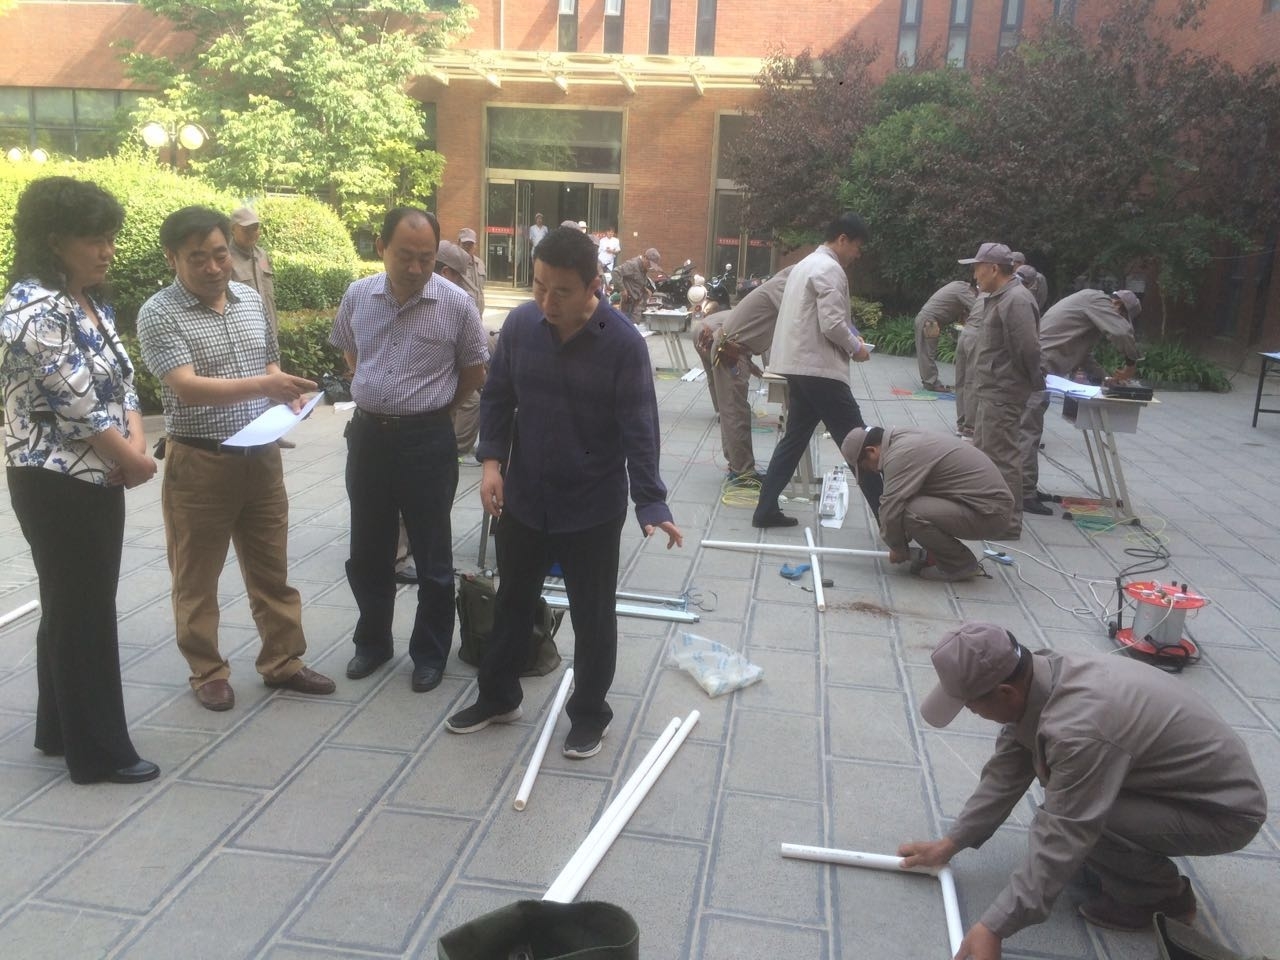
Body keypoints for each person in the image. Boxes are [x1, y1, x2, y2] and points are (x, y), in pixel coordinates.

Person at [445, 226, 682, 759]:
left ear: (594, 285)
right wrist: (491, 464)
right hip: (525, 495)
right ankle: (498, 697)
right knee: (512, 601)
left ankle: (590, 714)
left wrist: (651, 501)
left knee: (593, 614)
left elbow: (640, 428)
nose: (547, 302)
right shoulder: (521, 326)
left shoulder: (622, 343)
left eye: (562, 291)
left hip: (590, 505)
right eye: (539, 287)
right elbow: (498, 397)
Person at [899, 621, 1266, 959]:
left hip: (1223, 811)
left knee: (1082, 818)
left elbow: (1066, 829)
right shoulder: (1039, 675)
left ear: (1005, 692)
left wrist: (994, 927)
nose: (971, 712)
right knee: (1076, 802)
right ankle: (1125, 863)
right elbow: (1005, 773)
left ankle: (1161, 898)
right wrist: (953, 842)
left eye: (970, 705)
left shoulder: (1079, 729)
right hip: (1172, 783)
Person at [137, 206, 334, 711]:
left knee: (272, 567)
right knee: (196, 576)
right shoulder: (159, 312)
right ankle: (207, 670)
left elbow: (269, 365)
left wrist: (285, 396)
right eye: (197, 258)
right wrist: (265, 385)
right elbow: (186, 386)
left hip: (261, 455)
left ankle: (283, 660)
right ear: (172, 258)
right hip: (200, 462)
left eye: (220, 254)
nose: (212, 267)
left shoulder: (249, 300)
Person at [1, 176, 159, 784]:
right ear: (53, 240)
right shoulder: (34, 309)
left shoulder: (88, 299)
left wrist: (136, 444)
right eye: (95, 239)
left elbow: (122, 384)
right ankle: (97, 752)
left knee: (71, 605)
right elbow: (79, 408)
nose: (108, 250)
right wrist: (133, 459)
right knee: (83, 611)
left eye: (111, 237)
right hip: (54, 480)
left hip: (98, 472)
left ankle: (58, 729)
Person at [331, 209, 487, 693]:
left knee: (433, 553)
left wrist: (435, 409)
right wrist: (377, 390)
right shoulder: (359, 295)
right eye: (405, 256)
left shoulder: (456, 304)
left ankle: (430, 653)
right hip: (369, 438)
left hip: (427, 440)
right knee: (368, 550)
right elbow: (350, 352)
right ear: (381, 247)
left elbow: (475, 371)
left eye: (426, 258)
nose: (417, 268)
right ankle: (373, 642)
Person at [751, 212, 879, 528]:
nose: (857, 254)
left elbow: (824, 317)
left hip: (798, 366)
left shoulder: (805, 265)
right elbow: (832, 324)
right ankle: (892, 523)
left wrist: (852, 335)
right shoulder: (830, 269)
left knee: (794, 439)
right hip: (820, 369)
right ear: (842, 239)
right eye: (857, 247)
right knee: (859, 445)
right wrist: (857, 348)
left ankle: (765, 509)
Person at [1020, 289, 1142, 510]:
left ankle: (1026, 488)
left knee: (1029, 429)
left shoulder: (1087, 304)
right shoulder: (1098, 301)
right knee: (1028, 430)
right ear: (1118, 307)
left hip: (1039, 366)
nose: (1118, 320)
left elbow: (1083, 355)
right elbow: (1121, 333)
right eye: (1122, 317)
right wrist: (1131, 362)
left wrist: (1105, 379)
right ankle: (1023, 494)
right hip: (1037, 368)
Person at [842, 426, 1012, 582]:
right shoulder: (901, 438)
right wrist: (902, 538)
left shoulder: (901, 455)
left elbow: (890, 509)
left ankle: (959, 565)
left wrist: (898, 548)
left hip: (990, 514)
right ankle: (946, 556)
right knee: (906, 504)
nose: (873, 471)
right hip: (986, 506)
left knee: (908, 512)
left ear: (871, 450)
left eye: (866, 467)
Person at [960, 242, 1041, 539]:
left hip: (1003, 392)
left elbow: (1028, 349)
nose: (974, 275)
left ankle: (1008, 523)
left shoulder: (1016, 300)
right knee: (985, 455)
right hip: (990, 389)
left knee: (1003, 458)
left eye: (977, 268)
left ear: (993, 269)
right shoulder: (998, 297)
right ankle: (987, 514)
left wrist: (1018, 380)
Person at [693, 266, 794, 482]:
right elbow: (795, 324)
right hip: (723, 346)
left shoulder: (777, 286)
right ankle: (742, 471)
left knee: (730, 407)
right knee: (735, 410)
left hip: (722, 342)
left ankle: (737, 465)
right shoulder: (783, 288)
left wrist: (757, 369)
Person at [228, 206, 295, 448]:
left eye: (256, 228)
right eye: (246, 229)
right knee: (250, 381)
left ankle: (274, 433)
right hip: (242, 331)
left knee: (274, 377)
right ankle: (246, 432)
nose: (253, 233)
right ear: (233, 229)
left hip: (268, 328)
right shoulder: (226, 258)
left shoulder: (262, 254)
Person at [914, 279, 976, 393]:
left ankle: (929, 381)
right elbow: (977, 308)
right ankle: (931, 383)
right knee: (927, 353)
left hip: (927, 319)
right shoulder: (964, 289)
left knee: (926, 352)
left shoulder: (958, 286)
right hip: (929, 320)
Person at [953, 292, 985, 438]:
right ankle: (970, 427)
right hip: (977, 336)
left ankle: (961, 424)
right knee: (972, 382)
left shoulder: (984, 291)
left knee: (961, 381)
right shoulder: (1002, 292)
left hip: (965, 334)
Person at [614, 247, 660, 325]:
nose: (649, 267)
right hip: (628, 304)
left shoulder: (643, 268)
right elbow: (616, 272)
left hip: (637, 304)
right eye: (649, 264)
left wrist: (645, 289)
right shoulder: (633, 265)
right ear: (645, 258)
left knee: (635, 327)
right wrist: (622, 290)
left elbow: (637, 281)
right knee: (626, 327)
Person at [457, 227, 487, 313]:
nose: (467, 247)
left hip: (478, 313)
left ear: (475, 245)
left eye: (470, 244)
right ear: (458, 243)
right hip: (461, 313)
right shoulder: (454, 264)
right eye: (465, 244)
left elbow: (481, 289)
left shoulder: (480, 263)